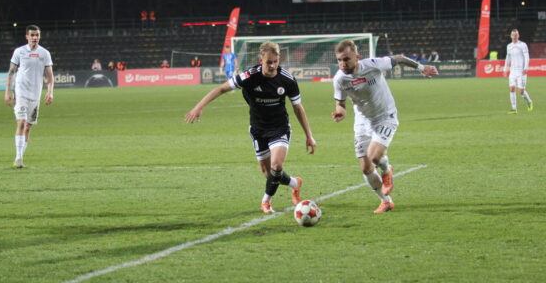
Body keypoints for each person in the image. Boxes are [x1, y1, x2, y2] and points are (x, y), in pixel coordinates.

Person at [186, 41, 317, 214]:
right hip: (258, 129)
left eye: (276, 61)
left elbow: (298, 108)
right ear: (261, 60)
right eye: (269, 62)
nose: (273, 66)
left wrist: (309, 135)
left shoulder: (287, 79)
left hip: (279, 128)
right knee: (268, 174)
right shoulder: (249, 76)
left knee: (276, 165)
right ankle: (294, 183)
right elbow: (221, 89)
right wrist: (199, 107)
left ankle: (266, 201)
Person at [331, 39, 438, 213]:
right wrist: (340, 111)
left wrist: (422, 68)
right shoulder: (339, 79)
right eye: (339, 60)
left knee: (374, 156)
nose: (343, 63)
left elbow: (399, 58)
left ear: (356, 57)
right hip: (362, 121)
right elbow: (340, 103)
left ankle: (386, 170)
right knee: (366, 168)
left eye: (346, 59)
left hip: (385, 116)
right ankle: (385, 201)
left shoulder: (372, 65)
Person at [4, 25, 54, 169]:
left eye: (37, 35)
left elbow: (50, 77)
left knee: (28, 127)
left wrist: (50, 92)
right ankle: (18, 158)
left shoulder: (44, 53)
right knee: (21, 123)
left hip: (35, 94)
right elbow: (11, 73)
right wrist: (7, 91)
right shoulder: (19, 51)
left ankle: (20, 156)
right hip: (21, 92)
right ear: (27, 36)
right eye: (32, 35)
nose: (35, 37)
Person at [503, 29, 533, 114]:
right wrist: (505, 69)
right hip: (513, 71)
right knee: (512, 88)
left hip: (521, 71)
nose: (514, 36)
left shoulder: (523, 45)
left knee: (521, 91)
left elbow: (527, 57)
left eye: (516, 35)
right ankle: (514, 108)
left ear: (518, 36)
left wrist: (526, 67)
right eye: (513, 35)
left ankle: (529, 101)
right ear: (511, 36)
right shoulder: (509, 46)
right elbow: (508, 58)